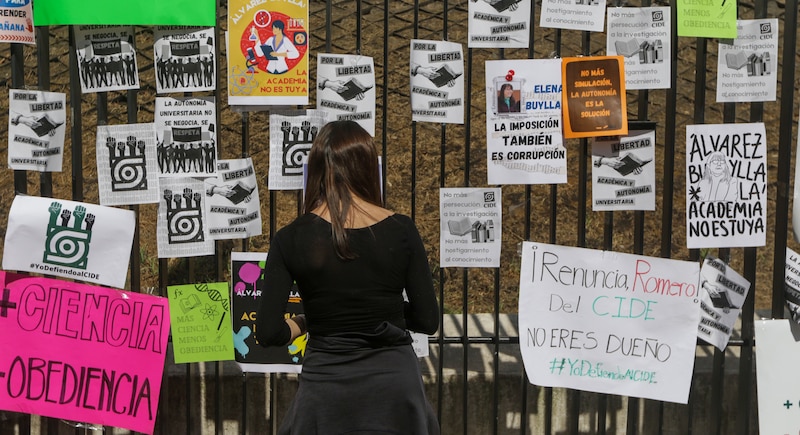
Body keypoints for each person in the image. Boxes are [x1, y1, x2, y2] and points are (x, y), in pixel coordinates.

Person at [256, 120, 440, 434]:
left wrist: (308, 320)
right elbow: (427, 320)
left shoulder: (291, 238)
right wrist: (383, 311)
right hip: (395, 386)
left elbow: (269, 332)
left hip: (327, 389)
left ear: (315, 170)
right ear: (369, 167)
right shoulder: (402, 230)